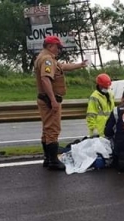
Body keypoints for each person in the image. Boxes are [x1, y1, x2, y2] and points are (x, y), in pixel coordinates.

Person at [35, 36, 87, 170]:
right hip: (49, 100)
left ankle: (48, 158)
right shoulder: (47, 59)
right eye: (58, 47)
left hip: (45, 98)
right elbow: (45, 79)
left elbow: (62, 66)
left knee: (47, 129)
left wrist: (79, 65)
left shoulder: (46, 58)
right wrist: (53, 100)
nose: (59, 50)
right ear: (50, 46)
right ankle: (53, 161)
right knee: (53, 129)